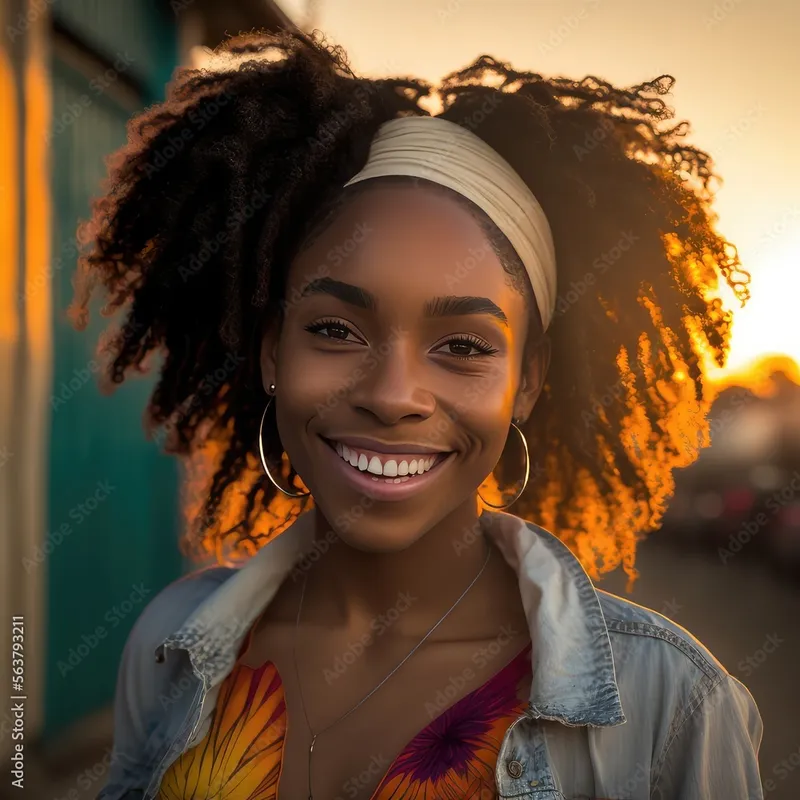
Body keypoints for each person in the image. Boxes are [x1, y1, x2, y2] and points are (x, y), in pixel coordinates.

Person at [76, 29, 763, 800]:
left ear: (527, 381)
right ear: (273, 352)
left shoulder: (672, 704)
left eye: (464, 344)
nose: (393, 392)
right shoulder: (169, 645)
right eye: (335, 329)